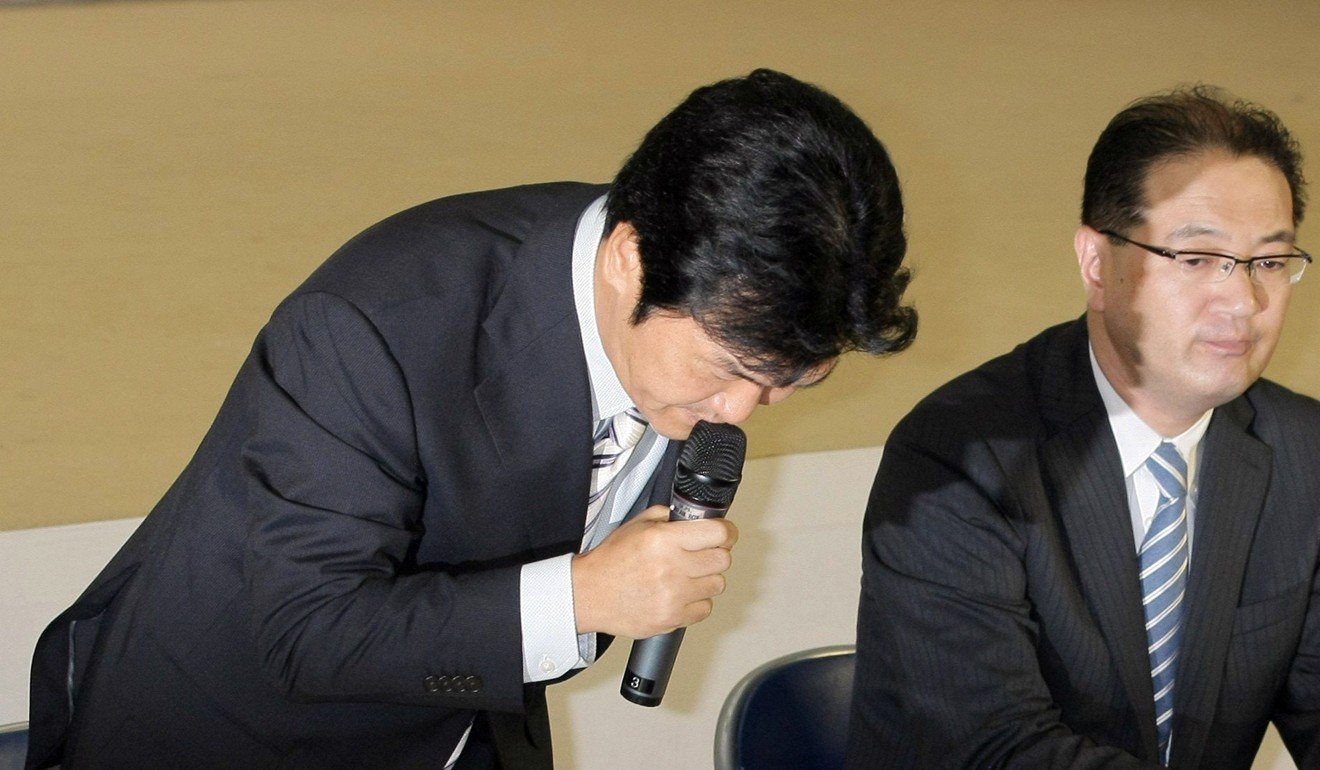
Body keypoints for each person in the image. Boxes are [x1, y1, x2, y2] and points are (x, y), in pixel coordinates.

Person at [26, 69, 916, 769]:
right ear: (629, 260)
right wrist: (586, 593)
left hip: (459, 733)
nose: (738, 415)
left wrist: (602, 595)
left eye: (791, 384)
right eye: (730, 373)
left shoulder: (695, 328)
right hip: (230, 735)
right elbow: (304, 630)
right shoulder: (373, 326)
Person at [848, 85, 1320, 769]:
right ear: (1097, 265)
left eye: (1269, 262)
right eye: (1195, 259)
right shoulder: (958, 457)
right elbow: (995, 750)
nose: (1243, 300)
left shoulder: (1304, 454)